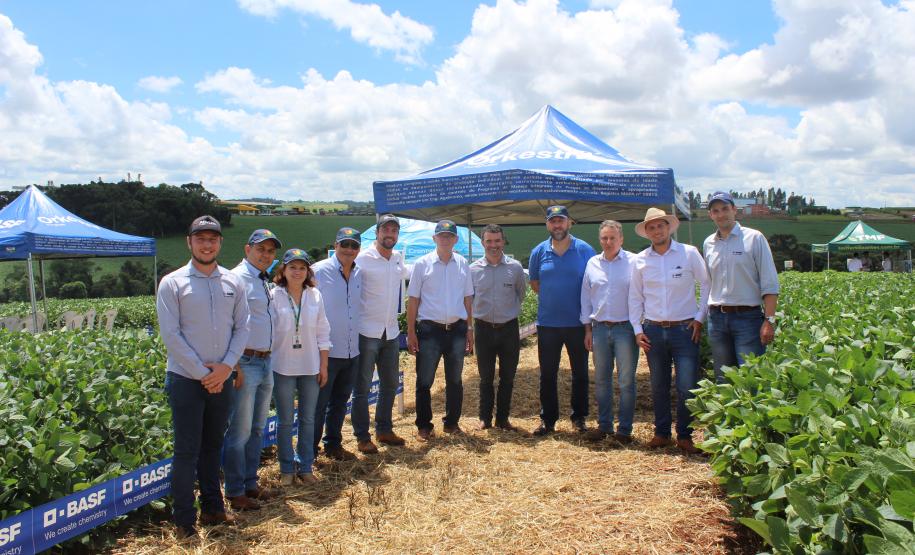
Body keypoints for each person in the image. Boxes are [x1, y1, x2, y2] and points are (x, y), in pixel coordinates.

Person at [156, 215, 249, 539]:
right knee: (186, 450)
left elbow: (242, 328)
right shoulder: (172, 282)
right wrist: (203, 373)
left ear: (220, 243)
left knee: (213, 446)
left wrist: (224, 368)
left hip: (221, 377)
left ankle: (213, 508)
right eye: (200, 239)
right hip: (185, 379)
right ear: (189, 242)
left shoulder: (233, 283)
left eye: (212, 239)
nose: (206, 244)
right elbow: (170, 334)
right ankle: (184, 519)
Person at [628, 207, 709, 454]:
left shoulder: (688, 253)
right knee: (659, 384)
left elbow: (706, 284)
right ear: (647, 232)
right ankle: (661, 433)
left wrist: (699, 318)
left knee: (686, 385)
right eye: (651, 227)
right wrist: (637, 329)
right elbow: (635, 297)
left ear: (668, 227)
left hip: (685, 329)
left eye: (660, 226)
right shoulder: (640, 260)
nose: (656, 231)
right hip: (653, 329)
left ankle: (685, 435)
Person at [224, 229, 281, 512]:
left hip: (265, 360)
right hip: (245, 363)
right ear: (248, 249)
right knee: (240, 431)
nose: (266, 255)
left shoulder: (262, 280)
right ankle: (234, 491)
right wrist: (234, 366)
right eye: (261, 249)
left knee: (257, 429)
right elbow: (227, 326)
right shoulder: (237, 279)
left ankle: (250, 483)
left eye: (271, 251)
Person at [528, 205, 596, 436]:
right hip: (548, 325)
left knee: (580, 373)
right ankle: (548, 420)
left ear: (569, 222)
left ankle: (579, 418)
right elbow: (535, 284)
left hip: (578, 324)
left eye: (561, 221)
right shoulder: (539, 251)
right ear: (547, 224)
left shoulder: (585, 250)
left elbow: (593, 284)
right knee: (548, 374)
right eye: (552, 221)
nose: (557, 225)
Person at [406, 220, 474, 440]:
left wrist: (470, 328)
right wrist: (411, 331)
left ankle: (451, 423)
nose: (445, 239)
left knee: (455, 380)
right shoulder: (422, 264)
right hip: (430, 331)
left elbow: (467, 298)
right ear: (434, 238)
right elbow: (413, 300)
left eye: (449, 236)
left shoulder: (463, 264)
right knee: (424, 381)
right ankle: (424, 426)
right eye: (441, 235)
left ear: (455, 239)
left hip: (456, 330)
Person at [703, 192, 779, 383]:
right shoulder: (708, 243)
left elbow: (769, 282)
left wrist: (769, 320)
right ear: (711, 215)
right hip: (717, 319)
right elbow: (708, 283)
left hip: (747, 319)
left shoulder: (754, 238)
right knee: (723, 379)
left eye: (725, 209)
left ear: (735, 210)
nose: (721, 215)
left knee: (751, 378)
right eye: (715, 211)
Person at [271, 249, 330, 486]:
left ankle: (305, 466)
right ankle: (286, 468)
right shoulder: (273, 295)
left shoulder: (315, 295)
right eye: (292, 267)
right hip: (282, 366)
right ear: (283, 270)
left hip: (310, 365)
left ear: (308, 272)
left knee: (308, 419)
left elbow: (323, 330)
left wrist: (324, 364)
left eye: (302, 268)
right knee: (285, 420)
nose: (297, 272)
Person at [353, 214, 409, 453]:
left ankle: (384, 430)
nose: (390, 234)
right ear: (377, 232)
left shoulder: (397, 259)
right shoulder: (362, 258)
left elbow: (411, 274)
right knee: (362, 388)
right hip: (367, 331)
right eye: (386, 230)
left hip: (391, 331)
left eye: (394, 231)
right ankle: (362, 436)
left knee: (389, 384)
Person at [580, 220, 638, 444]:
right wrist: (587, 329)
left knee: (626, 381)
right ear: (600, 240)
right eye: (604, 238)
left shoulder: (634, 261)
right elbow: (585, 298)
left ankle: (624, 430)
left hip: (625, 328)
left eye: (613, 238)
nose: (608, 242)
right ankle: (605, 426)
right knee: (602, 380)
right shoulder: (593, 263)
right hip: (600, 329)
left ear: (621, 239)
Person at [470, 224, 527, 431]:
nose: (493, 245)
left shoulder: (515, 268)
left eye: (497, 241)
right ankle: (484, 418)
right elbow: (470, 299)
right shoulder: (473, 269)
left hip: (508, 329)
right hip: (483, 329)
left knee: (508, 377)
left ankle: (502, 419)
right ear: (483, 242)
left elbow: (521, 294)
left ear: (503, 241)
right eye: (489, 241)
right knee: (485, 378)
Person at [312, 227, 363, 461]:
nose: (349, 249)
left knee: (340, 403)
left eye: (354, 245)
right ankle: (309, 451)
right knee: (318, 405)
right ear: (335, 245)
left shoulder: (359, 272)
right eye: (345, 244)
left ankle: (333, 444)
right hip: (326, 351)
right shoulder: (318, 271)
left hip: (352, 350)